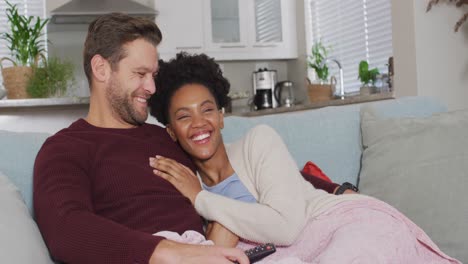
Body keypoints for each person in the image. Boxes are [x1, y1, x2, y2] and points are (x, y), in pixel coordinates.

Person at [149, 52, 461, 263]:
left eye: (207, 110)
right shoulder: (182, 183)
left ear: (221, 117)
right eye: (184, 116)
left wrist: (202, 198)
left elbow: (287, 227)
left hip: (346, 225)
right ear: (172, 131)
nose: (199, 124)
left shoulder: (258, 141)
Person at [33, 13, 249, 264]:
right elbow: (66, 229)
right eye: (140, 73)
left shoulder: (167, 137)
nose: (152, 88)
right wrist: (174, 254)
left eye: (153, 75)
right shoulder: (66, 148)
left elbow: (227, 184)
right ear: (101, 69)